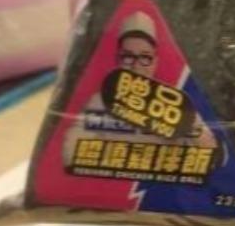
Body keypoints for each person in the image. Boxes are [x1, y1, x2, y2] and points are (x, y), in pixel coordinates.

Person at [63, 11, 216, 166]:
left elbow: (210, 152)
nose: (136, 66)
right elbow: (70, 152)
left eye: (145, 57)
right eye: (128, 57)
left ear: (155, 62)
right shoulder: (100, 101)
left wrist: (184, 124)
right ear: (118, 60)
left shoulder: (174, 103)